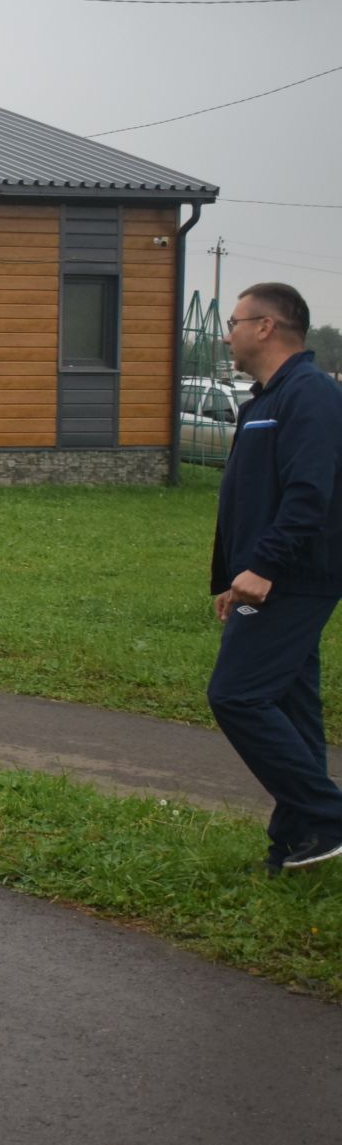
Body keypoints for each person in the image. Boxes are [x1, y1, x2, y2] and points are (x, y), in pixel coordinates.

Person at [206, 282, 342, 872]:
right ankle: (298, 841)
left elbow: (311, 493)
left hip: (294, 576)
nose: (227, 334)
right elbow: (245, 499)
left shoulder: (309, 394)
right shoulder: (263, 399)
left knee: (236, 695)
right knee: (292, 710)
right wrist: (228, 576)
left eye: (235, 322)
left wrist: (264, 568)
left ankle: (327, 815)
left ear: (266, 327)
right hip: (262, 577)